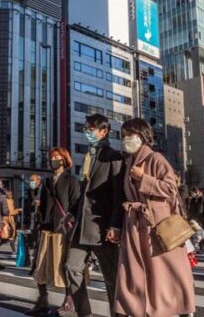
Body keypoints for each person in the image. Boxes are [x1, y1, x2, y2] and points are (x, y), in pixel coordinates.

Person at [114, 118, 195, 317]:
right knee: (133, 270)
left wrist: (143, 178)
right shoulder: (129, 162)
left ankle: (179, 306)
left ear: (142, 136)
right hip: (135, 223)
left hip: (157, 224)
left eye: (130, 135)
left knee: (165, 271)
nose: (126, 139)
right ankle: (131, 308)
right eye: (123, 135)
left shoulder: (155, 158)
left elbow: (170, 188)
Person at [63, 113, 124, 317]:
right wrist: (72, 212)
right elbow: (84, 192)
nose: (87, 132)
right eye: (86, 128)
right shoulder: (89, 156)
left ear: (104, 131)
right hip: (82, 226)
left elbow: (118, 195)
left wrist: (115, 225)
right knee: (71, 267)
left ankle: (118, 314)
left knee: (111, 277)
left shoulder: (114, 156)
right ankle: (84, 313)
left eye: (91, 129)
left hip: (103, 227)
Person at [26, 147, 81, 316]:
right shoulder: (47, 181)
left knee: (62, 265)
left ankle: (69, 299)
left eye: (57, 157)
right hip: (46, 227)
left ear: (64, 160)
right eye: (52, 157)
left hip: (62, 229)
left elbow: (76, 204)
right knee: (40, 264)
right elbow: (42, 204)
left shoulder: (71, 180)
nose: (54, 160)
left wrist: (68, 221)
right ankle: (42, 300)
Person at [3, 189, 21, 257]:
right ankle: (14, 251)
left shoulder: (11, 200)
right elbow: (9, 212)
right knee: (10, 236)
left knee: (10, 236)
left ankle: (13, 251)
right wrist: (17, 210)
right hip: (8, 220)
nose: (11, 195)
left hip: (10, 220)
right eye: (10, 194)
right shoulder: (7, 201)